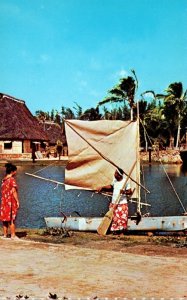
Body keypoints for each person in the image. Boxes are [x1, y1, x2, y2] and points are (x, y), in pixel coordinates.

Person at [97, 167, 133, 234]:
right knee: (114, 218)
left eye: (115, 173)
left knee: (122, 219)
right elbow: (111, 187)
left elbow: (130, 192)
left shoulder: (125, 182)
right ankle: (115, 231)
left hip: (122, 204)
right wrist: (103, 187)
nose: (114, 174)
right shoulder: (115, 180)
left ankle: (122, 232)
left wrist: (124, 192)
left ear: (119, 175)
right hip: (114, 203)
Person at [0, 163, 20, 239]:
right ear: (12, 171)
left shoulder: (4, 180)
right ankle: (13, 235)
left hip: (4, 201)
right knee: (11, 219)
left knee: (5, 219)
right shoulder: (11, 180)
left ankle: (5, 235)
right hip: (10, 202)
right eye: (15, 171)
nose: (16, 173)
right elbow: (13, 191)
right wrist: (17, 201)